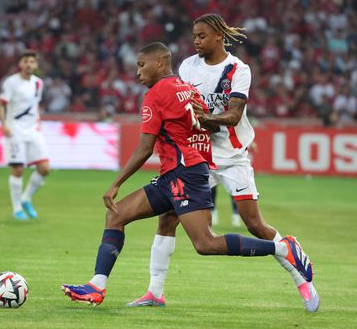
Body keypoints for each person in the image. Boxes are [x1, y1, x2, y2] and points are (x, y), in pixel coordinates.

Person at [61, 42, 312, 307]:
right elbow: (209, 129)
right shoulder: (188, 89)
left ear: (159, 62)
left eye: (141, 65)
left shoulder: (156, 94)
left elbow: (145, 148)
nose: (138, 73)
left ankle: (283, 248)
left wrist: (115, 184)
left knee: (205, 243)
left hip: (184, 174)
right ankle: (98, 286)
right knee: (116, 215)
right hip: (178, 173)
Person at [127, 14, 320, 312]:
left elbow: (233, 116)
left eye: (202, 36)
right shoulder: (188, 67)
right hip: (197, 156)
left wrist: (204, 118)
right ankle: (154, 292)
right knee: (168, 217)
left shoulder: (238, 70)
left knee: (254, 224)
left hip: (231, 156)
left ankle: (301, 279)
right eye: (194, 36)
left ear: (218, 36)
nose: (196, 41)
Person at [0, 50, 49, 220]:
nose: (28, 64)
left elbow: (35, 105)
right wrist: (3, 125)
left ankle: (26, 198)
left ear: (36, 65)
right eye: (25, 61)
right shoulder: (11, 82)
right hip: (15, 131)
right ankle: (17, 208)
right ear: (20, 64)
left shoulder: (38, 83)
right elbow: (1, 104)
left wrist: (38, 122)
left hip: (33, 130)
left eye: (32, 61)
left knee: (44, 168)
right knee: (18, 169)